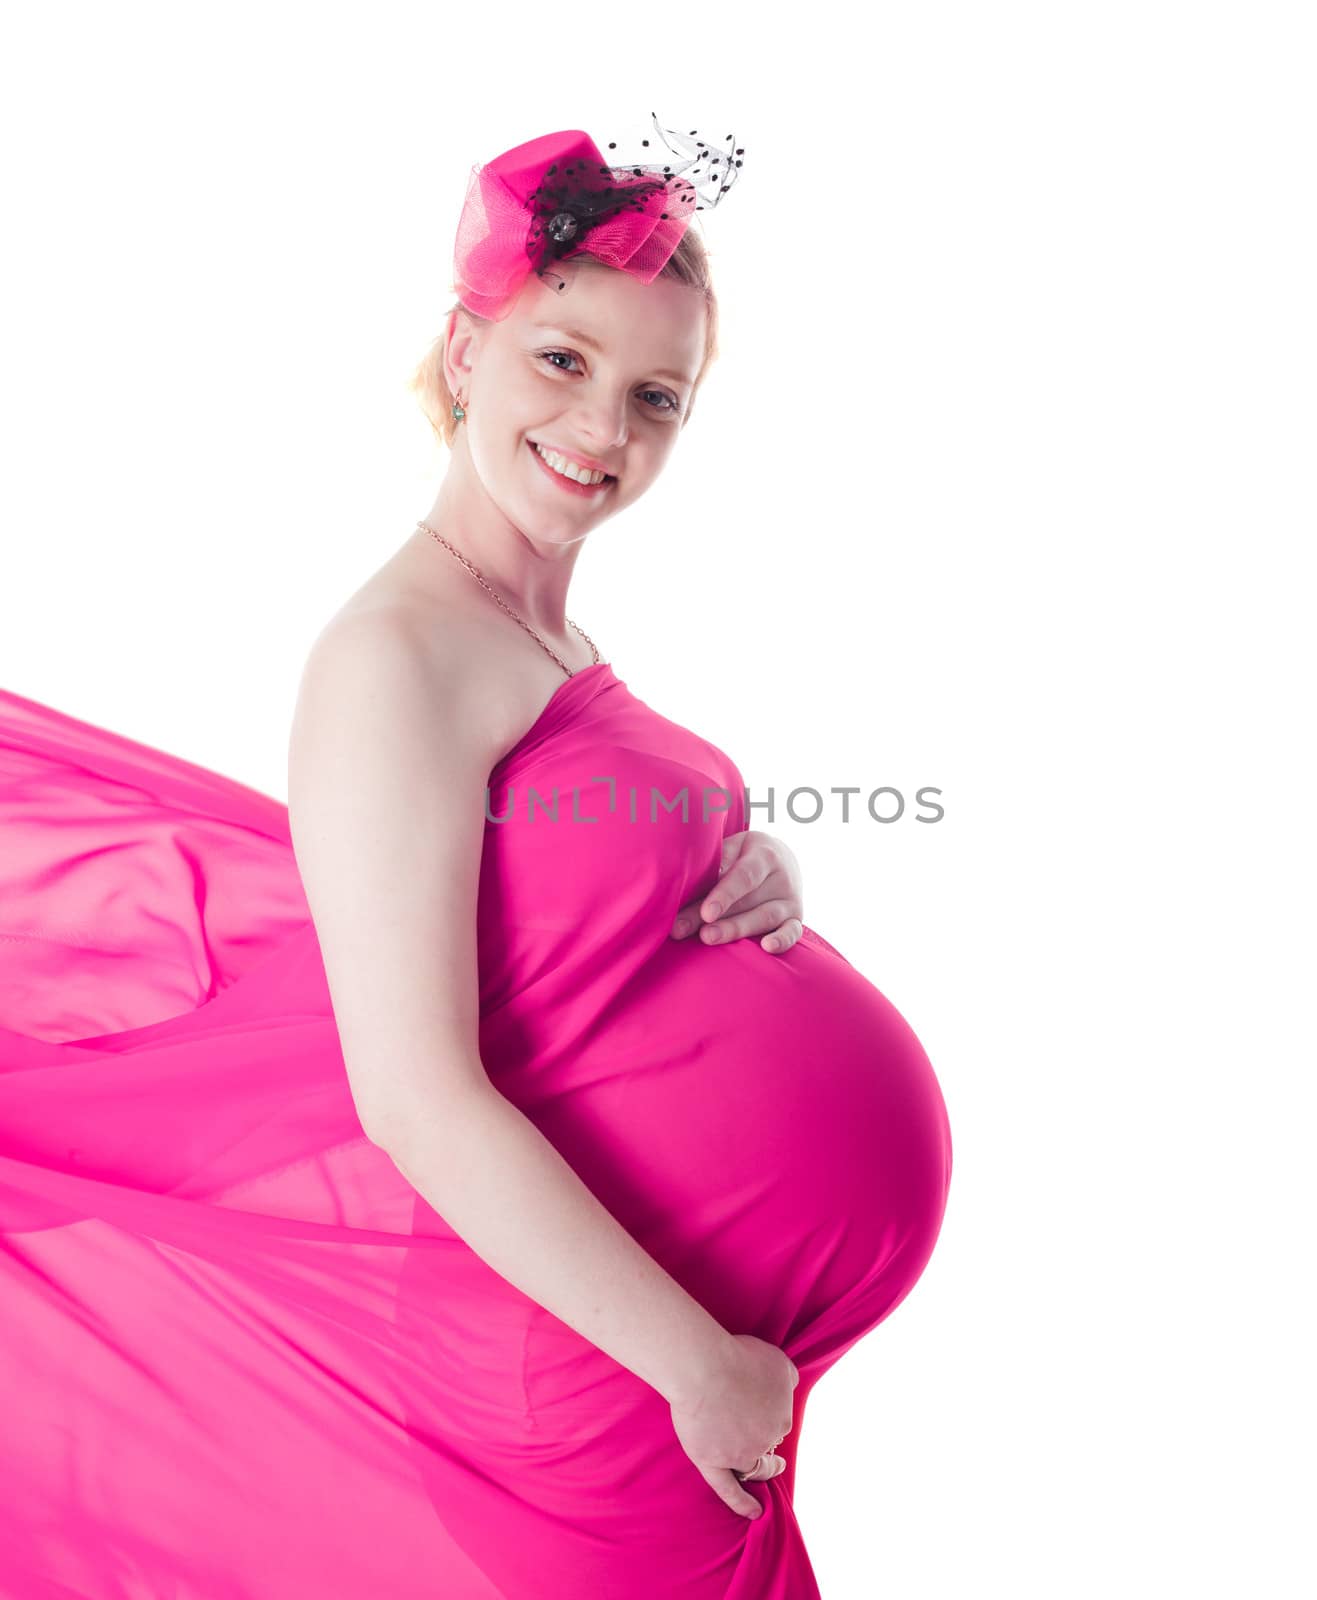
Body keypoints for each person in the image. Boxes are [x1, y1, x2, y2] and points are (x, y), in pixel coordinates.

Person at [0, 121, 952, 1598]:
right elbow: (415, 1098)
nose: (604, 427)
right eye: (560, 361)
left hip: (667, 1349)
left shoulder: (537, 637)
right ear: (464, 353)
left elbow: (567, 933)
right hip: (613, 1362)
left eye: (656, 395)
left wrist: (755, 882)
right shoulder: (395, 658)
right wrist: (689, 1363)